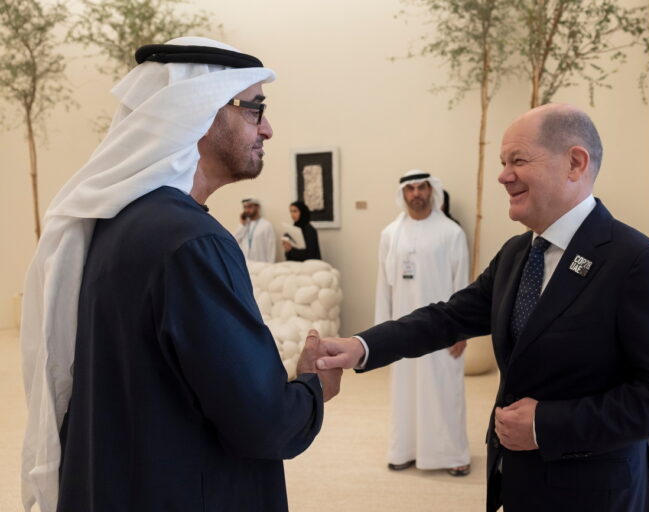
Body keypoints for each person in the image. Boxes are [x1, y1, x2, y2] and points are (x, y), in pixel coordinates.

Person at [316, 103, 649, 512]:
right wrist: (362, 346)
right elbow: (448, 317)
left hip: (596, 494)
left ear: (574, 163)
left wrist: (544, 425)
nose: (502, 175)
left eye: (517, 160)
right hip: (518, 483)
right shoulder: (519, 253)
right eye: (503, 162)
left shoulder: (638, 263)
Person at [20, 37, 340, 512]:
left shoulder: (117, 224)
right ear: (201, 112)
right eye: (254, 109)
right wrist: (312, 388)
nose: (268, 128)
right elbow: (262, 420)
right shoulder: (192, 242)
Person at [376, 170, 471, 476]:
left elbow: (463, 286)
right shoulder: (390, 234)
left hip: (443, 329)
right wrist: (381, 335)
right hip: (403, 329)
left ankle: (453, 454)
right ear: (403, 194)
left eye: (421, 188)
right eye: (410, 188)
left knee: (444, 389)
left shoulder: (451, 232)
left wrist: (462, 331)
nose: (416, 193)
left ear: (432, 191)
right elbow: (383, 287)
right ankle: (404, 450)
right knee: (405, 391)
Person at [234, 197, 276, 262]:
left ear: (258, 207)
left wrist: (270, 266)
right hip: (246, 264)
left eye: (250, 207)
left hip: (261, 266)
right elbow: (235, 241)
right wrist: (242, 224)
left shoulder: (266, 225)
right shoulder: (244, 225)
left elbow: (271, 248)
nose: (247, 210)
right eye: (245, 207)